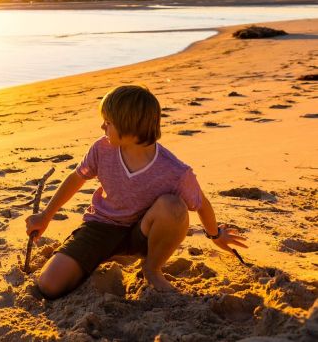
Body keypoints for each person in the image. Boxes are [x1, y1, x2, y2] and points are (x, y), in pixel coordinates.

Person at [25, 85, 246, 297]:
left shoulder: (174, 171)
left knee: (174, 206)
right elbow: (76, 178)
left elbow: (201, 203)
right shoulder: (102, 148)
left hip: (142, 233)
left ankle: (151, 269)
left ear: (130, 128)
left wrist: (215, 234)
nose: (103, 127)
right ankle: (101, 257)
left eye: (108, 122)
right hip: (101, 227)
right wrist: (45, 216)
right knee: (49, 285)